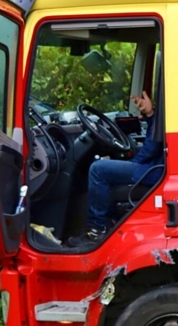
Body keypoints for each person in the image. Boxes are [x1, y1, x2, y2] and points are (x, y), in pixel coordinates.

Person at [66, 91, 164, 247]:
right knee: (109, 170)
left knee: (98, 169)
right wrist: (150, 114)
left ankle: (96, 231)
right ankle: (109, 222)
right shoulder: (165, 115)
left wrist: (133, 163)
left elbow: (153, 147)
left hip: (153, 170)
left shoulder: (167, 114)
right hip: (154, 167)